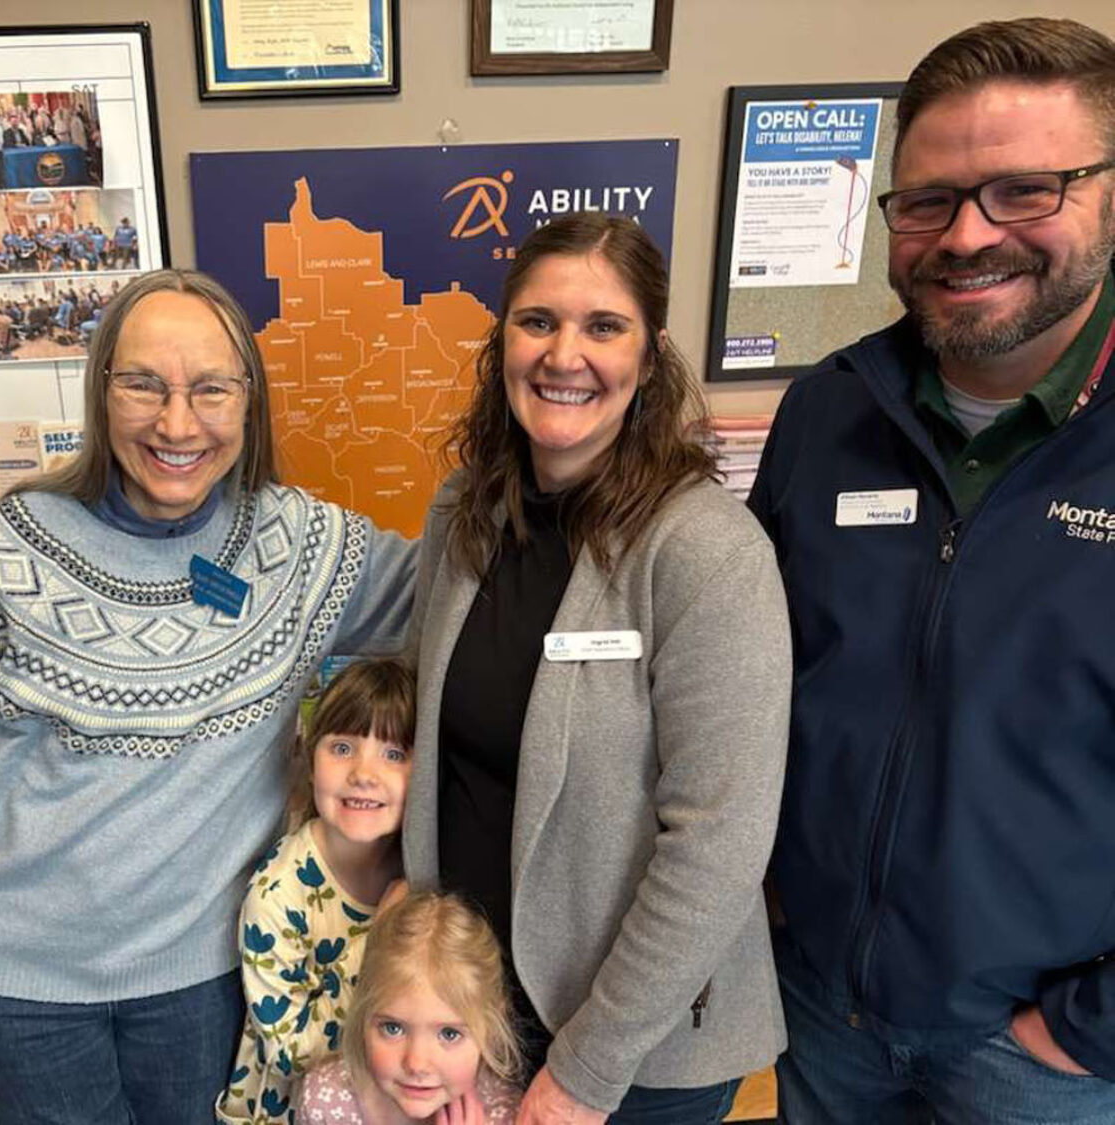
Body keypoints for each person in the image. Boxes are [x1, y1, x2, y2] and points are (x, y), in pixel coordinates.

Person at [0, 268, 416, 1125]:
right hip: (17, 988)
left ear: (250, 402)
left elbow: (467, 591)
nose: (177, 423)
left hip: (205, 980)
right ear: (101, 392)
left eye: (211, 389)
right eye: (143, 385)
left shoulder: (301, 547)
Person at [748, 17, 1115, 1124]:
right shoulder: (827, 414)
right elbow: (755, 682)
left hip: (1042, 1057)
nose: (966, 235)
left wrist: (1086, 1029)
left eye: (1024, 191)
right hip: (822, 1012)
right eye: (928, 201)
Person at [403, 214, 791, 1124]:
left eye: (603, 326)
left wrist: (587, 1067)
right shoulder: (465, 510)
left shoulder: (705, 550)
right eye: (537, 321)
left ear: (648, 358)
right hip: (475, 1008)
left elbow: (719, 842)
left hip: (637, 1046)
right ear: (502, 341)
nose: (563, 354)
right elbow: (433, 738)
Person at [217, 657, 416, 1125]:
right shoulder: (277, 895)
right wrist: (379, 938)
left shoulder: (420, 866)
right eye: (343, 747)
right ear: (311, 761)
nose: (364, 773)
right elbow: (290, 1053)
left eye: (393, 754)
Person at [297, 891, 522, 1124]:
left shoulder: (508, 1115)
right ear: (363, 1014)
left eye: (449, 1034)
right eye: (393, 1028)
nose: (417, 1064)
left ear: (491, 1029)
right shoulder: (325, 1099)